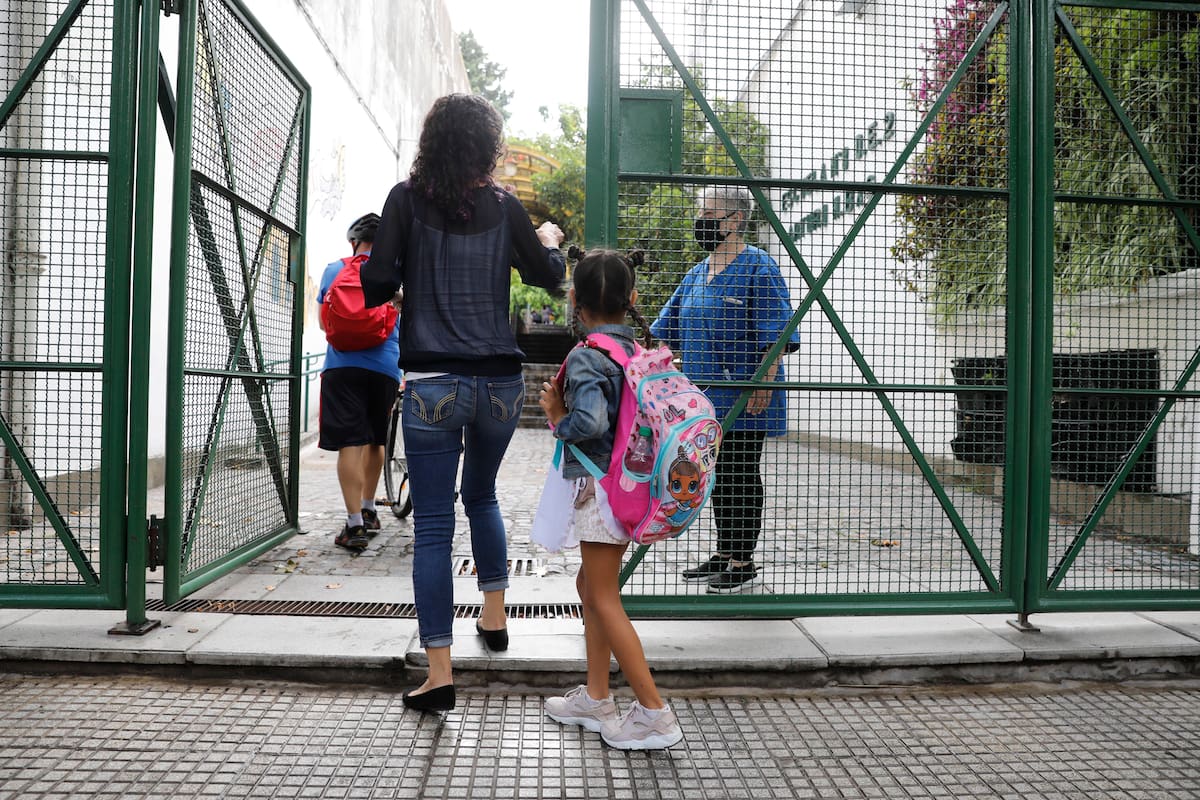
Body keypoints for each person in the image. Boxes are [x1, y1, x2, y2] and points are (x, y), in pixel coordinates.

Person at [360, 94, 565, 713]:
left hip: (432, 384)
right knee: (482, 495)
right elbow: (548, 277)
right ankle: (496, 619)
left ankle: (441, 673)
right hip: (501, 387)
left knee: (433, 528)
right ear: (486, 144)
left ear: (432, 140)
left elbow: (375, 283)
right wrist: (549, 239)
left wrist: (404, 274)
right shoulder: (506, 207)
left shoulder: (405, 198)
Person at [537, 248, 684, 751]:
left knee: (602, 595)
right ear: (633, 299)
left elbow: (592, 423)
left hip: (601, 491)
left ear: (575, 299)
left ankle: (653, 713)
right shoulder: (634, 352)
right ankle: (597, 697)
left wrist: (557, 415)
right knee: (589, 584)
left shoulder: (586, 355)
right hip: (628, 488)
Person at [650, 185, 798, 594]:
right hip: (702, 401)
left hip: (747, 396)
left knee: (740, 472)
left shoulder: (759, 267)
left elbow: (777, 333)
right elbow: (664, 330)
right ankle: (723, 552)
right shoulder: (697, 273)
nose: (701, 218)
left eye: (708, 211)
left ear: (734, 220)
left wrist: (762, 382)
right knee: (715, 475)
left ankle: (742, 561)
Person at [317, 212, 400, 552]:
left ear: (354, 242)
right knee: (376, 440)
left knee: (350, 443)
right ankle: (369, 509)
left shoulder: (335, 270)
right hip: (385, 368)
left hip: (342, 366)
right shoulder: (395, 276)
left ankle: (354, 527)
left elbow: (324, 324)